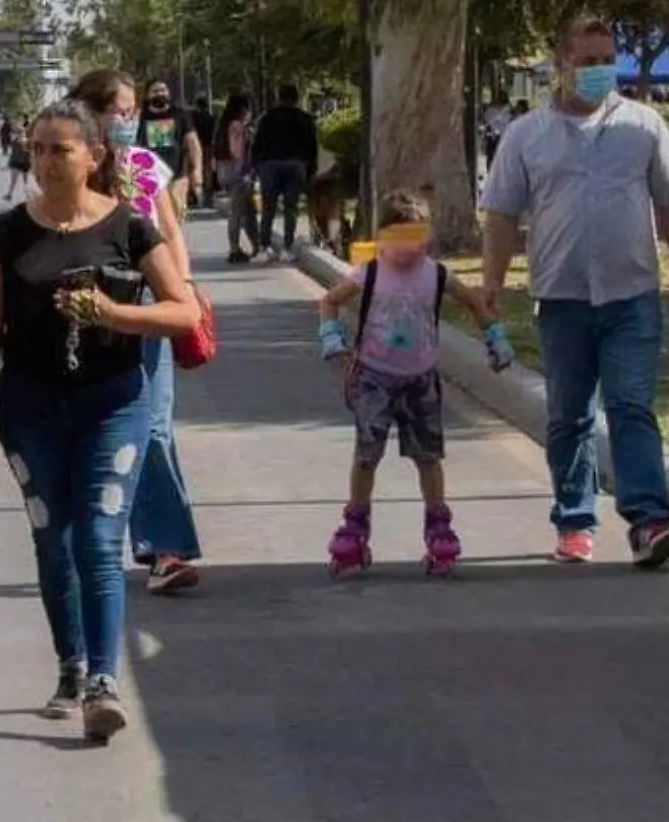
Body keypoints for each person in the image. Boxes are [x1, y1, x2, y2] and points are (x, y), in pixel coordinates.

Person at [0, 103, 199, 744]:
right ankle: (70, 668)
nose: (45, 160)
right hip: (29, 406)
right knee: (54, 538)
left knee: (99, 540)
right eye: (36, 147)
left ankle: (103, 680)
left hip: (113, 403)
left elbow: (185, 312)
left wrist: (112, 315)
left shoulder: (129, 227)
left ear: (94, 154)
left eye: (59, 149)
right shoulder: (5, 233)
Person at [480, 15, 669, 568]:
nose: (600, 71)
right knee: (570, 416)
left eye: (608, 60)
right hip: (562, 299)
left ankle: (650, 521)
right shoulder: (526, 135)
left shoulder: (644, 126)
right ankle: (575, 520)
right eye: (588, 61)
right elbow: (502, 215)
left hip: (632, 297)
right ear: (561, 64)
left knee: (630, 406)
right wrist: (489, 283)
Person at [316, 190, 514, 576]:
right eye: (398, 238)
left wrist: (497, 338)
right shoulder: (369, 272)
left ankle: (439, 526)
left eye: (415, 237)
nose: (407, 248)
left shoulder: (436, 275)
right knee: (366, 454)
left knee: (428, 457)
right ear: (383, 237)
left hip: (421, 381)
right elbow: (329, 300)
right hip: (374, 377)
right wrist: (331, 336)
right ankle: (355, 526)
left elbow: (476, 304)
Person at [71, 68, 206, 594]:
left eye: (131, 111)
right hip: (94, 310)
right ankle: (96, 539)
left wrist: (185, 288)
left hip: (151, 309)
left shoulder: (149, 165)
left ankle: (163, 549)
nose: (127, 121)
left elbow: (171, 231)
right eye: (117, 111)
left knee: (154, 426)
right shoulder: (71, 166)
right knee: (100, 427)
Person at [250, 84, 319, 261]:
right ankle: (288, 247)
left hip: (270, 164)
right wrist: (311, 169)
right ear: (296, 98)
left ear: (279, 97)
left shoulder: (268, 117)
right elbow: (312, 146)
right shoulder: (305, 118)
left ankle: (265, 246)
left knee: (268, 208)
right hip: (296, 165)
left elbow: (257, 143)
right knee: (291, 207)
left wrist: (255, 166)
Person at [134, 80, 203, 218]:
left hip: (177, 176)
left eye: (163, 90)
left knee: (176, 215)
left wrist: (197, 170)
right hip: (149, 176)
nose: (160, 93)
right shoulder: (140, 117)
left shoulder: (180, 115)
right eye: (155, 91)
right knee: (153, 218)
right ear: (148, 96)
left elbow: (193, 143)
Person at [211, 92, 262, 263]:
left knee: (248, 210)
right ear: (243, 109)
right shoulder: (236, 126)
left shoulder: (223, 125)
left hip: (224, 171)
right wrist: (245, 172)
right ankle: (234, 249)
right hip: (237, 173)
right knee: (237, 212)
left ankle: (257, 245)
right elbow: (237, 151)